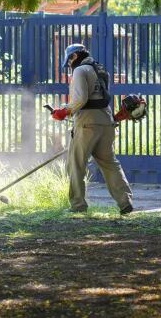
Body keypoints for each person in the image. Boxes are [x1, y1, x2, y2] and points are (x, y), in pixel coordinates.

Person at [50, 43, 134, 215]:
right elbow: (99, 99)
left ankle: (78, 206)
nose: (70, 66)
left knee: (76, 165)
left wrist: (64, 111)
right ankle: (125, 202)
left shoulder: (80, 71)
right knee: (110, 164)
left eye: (70, 61)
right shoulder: (100, 70)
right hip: (106, 121)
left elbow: (81, 98)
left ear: (74, 56)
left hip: (87, 123)